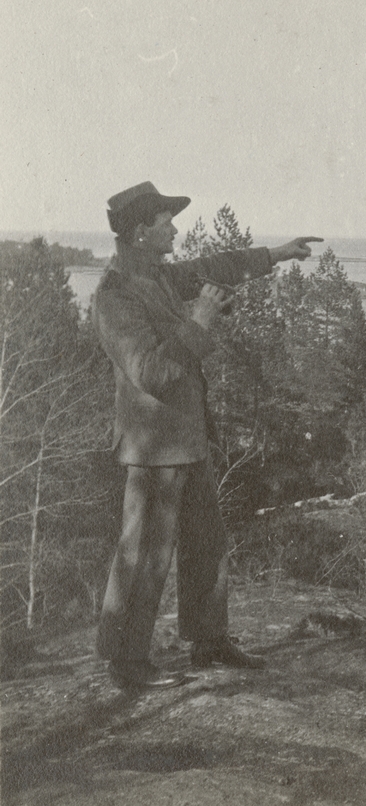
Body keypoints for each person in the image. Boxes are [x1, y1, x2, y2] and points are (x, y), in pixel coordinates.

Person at [94, 181, 322, 691]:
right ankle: (126, 663)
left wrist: (277, 254)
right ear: (139, 233)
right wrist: (200, 321)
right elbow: (151, 372)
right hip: (153, 449)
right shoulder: (115, 295)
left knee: (206, 544)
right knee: (143, 557)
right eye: (165, 223)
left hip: (186, 441)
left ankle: (210, 643)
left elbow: (216, 266)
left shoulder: (157, 277)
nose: (174, 229)